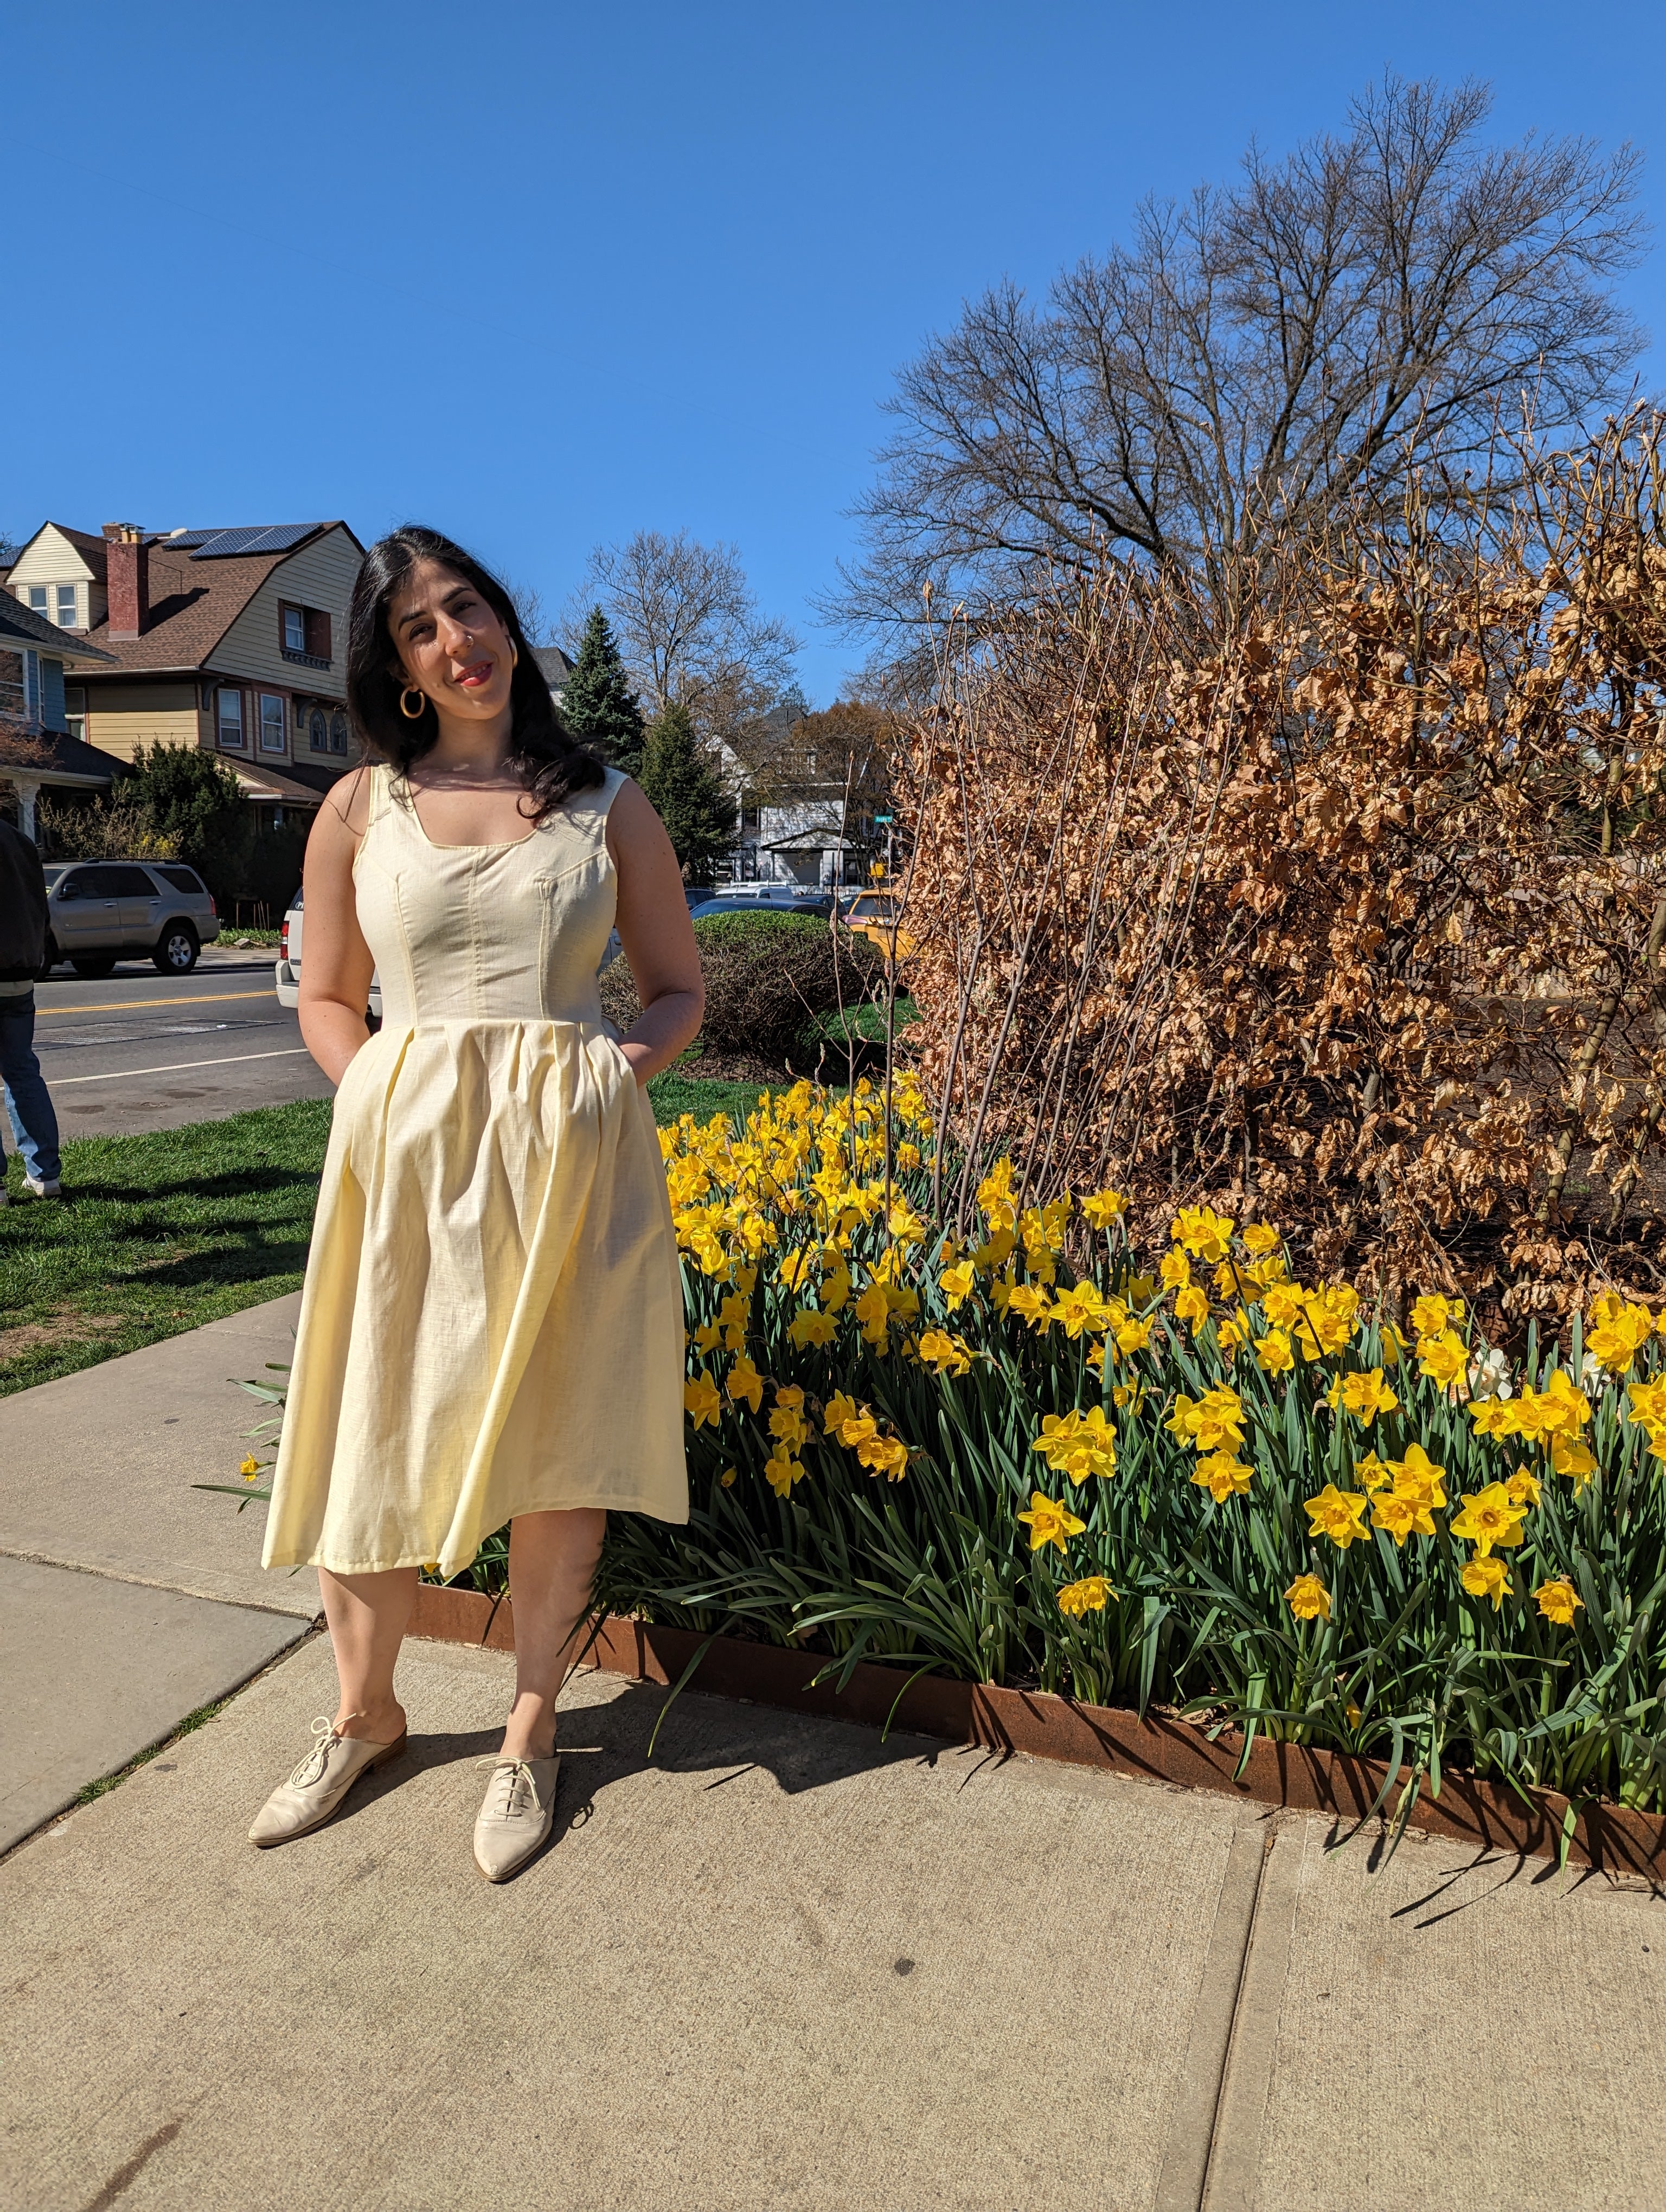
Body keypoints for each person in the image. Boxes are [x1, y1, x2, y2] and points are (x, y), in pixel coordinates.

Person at [251, 526, 700, 1880]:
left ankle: (529, 1724)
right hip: (406, 1167)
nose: (460, 640)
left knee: (556, 1434)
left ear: (506, 621)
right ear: (395, 668)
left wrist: (617, 1066)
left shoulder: (602, 801)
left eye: (472, 607)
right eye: (423, 629)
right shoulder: (356, 809)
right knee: (372, 1428)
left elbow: (675, 984)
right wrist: (372, 1092)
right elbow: (328, 995)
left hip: (569, 1163)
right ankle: (364, 1713)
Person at [0, 814, 63, 1205]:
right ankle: (44, 1176)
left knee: (22, 1074)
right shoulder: (20, 842)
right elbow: (42, 910)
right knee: (22, 1073)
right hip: (20, 972)